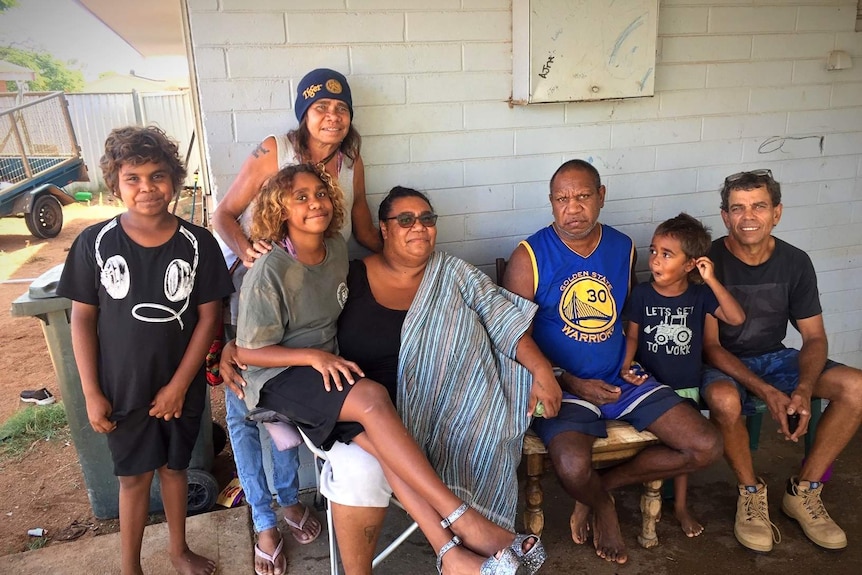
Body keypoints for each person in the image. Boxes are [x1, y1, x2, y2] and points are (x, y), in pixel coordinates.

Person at [233, 165, 548, 575]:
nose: (315, 204)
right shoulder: (271, 266)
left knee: (384, 446)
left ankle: (449, 554)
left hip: (333, 383)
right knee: (372, 398)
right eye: (301, 198)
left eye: (320, 195)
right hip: (287, 381)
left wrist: (539, 369)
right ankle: (462, 518)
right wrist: (298, 356)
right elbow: (248, 346)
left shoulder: (337, 255)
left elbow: (501, 319)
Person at [503, 159, 723, 565]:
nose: (573, 208)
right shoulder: (529, 256)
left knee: (706, 445)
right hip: (563, 386)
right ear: (551, 203)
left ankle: (601, 488)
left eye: (583, 196)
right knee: (570, 467)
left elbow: (631, 313)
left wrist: (632, 359)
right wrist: (567, 380)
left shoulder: (623, 248)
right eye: (562, 199)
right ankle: (604, 507)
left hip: (621, 378)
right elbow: (511, 338)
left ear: (601, 196)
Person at [212, 67, 381, 572]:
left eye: (341, 108)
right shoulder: (275, 151)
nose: (332, 116)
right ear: (303, 116)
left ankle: (287, 500)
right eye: (320, 108)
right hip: (252, 289)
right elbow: (224, 215)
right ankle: (263, 520)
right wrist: (249, 254)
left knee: (280, 413)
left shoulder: (351, 161)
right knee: (244, 408)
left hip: (309, 292)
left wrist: (400, 253)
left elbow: (364, 224)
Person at [57, 126, 232, 575]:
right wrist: (93, 393)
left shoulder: (199, 245)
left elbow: (209, 318)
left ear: (174, 180)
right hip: (122, 387)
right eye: (132, 178)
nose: (146, 188)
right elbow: (82, 318)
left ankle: (178, 550)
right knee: (133, 478)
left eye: (157, 176)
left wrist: (178, 385)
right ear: (114, 183)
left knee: (175, 471)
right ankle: (130, 568)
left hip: (180, 387)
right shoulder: (94, 244)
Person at [701, 168, 862, 553]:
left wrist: (803, 388)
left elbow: (814, 336)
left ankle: (804, 491)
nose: (748, 217)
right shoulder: (708, 262)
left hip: (776, 358)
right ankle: (751, 494)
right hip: (723, 363)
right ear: (725, 217)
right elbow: (711, 347)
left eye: (759, 206)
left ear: (777, 212)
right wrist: (767, 392)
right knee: (725, 400)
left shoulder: (795, 262)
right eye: (737, 208)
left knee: (855, 386)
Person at [621, 213, 745, 537]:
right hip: (649, 385)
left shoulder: (699, 296)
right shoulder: (642, 295)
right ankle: (633, 481)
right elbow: (632, 336)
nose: (656, 261)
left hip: (685, 387)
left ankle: (679, 506)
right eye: (653, 251)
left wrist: (712, 280)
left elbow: (735, 316)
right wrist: (625, 366)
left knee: (684, 451)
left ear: (691, 264)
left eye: (667, 254)